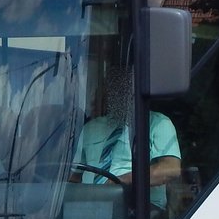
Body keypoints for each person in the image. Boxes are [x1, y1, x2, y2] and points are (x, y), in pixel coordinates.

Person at [74, 67, 181, 210]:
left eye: (123, 90)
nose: (116, 95)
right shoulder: (91, 128)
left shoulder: (159, 123)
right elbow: (74, 176)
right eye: (112, 89)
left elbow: (170, 169)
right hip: (89, 206)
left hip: (140, 209)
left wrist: (122, 181)